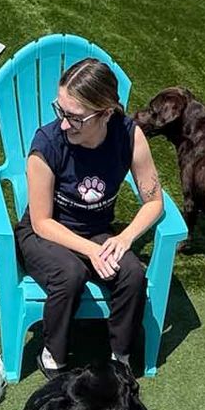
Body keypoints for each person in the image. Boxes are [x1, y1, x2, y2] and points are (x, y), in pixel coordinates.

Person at [18, 59, 165, 374]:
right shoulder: (47, 144)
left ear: (106, 113)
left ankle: (120, 359)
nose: (64, 124)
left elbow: (154, 202)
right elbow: (42, 222)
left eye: (75, 117)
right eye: (60, 110)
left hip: (97, 229)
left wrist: (124, 238)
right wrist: (92, 251)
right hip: (46, 233)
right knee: (70, 274)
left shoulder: (129, 136)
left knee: (132, 273)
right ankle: (53, 356)